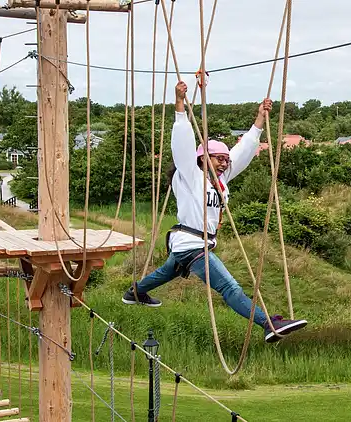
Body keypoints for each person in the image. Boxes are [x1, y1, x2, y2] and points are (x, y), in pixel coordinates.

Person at [123, 81, 307, 343]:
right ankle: (268, 324)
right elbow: (182, 145)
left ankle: (134, 293)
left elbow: (243, 151)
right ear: (202, 158)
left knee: (167, 272)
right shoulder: (190, 175)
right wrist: (179, 105)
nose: (224, 163)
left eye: (225, 160)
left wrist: (259, 118)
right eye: (219, 158)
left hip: (192, 244)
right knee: (229, 286)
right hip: (192, 245)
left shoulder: (219, 181)